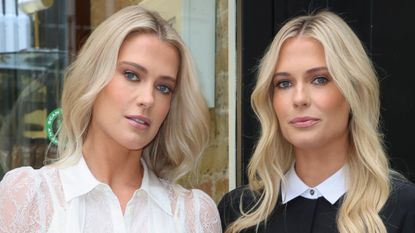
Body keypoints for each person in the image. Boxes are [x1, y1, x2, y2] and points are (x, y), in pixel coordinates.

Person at [0, 5, 221, 233]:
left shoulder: (194, 216)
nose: (148, 99)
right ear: (94, 77)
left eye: (163, 87)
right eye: (131, 75)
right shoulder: (29, 199)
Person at [218, 10, 415, 233]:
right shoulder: (238, 211)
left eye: (319, 79)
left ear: (353, 92)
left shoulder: (404, 209)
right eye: (284, 83)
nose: (299, 98)